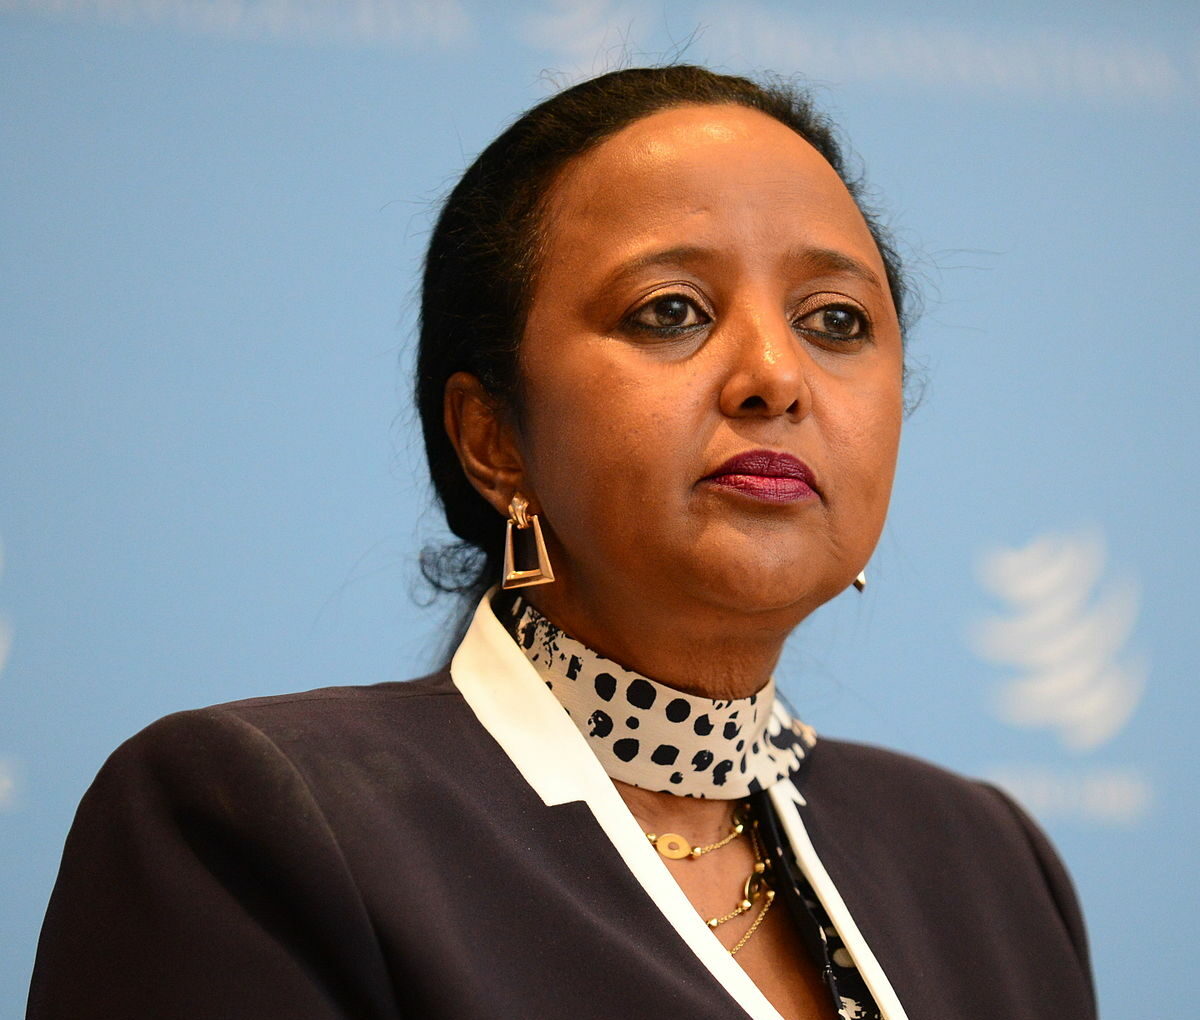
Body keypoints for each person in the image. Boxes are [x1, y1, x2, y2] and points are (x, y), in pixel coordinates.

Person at [28, 66, 1097, 1020]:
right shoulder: (258, 823)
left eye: (835, 320)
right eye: (670, 311)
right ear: (493, 438)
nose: (776, 375)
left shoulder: (989, 867)